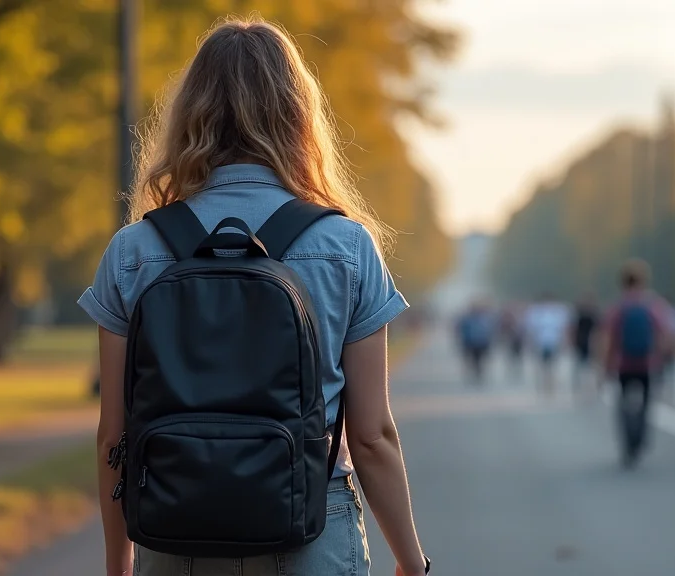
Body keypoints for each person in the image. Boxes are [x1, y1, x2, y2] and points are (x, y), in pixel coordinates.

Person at [78, 18, 429, 576]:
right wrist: (413, 564)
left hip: (176, 531)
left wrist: (118, 563)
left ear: (190, 114)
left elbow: (113, 438)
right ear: (297, 116)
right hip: (311, 527)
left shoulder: (135, 250)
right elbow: (371, 436)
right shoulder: (344, 245)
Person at [603, 259, 671, 468]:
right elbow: (664, 334)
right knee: (646, 404)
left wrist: (606, 365)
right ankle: (640, 437)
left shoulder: (618, 306)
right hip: (647, 363)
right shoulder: (653, 305)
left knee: (623, 403)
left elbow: (609, 338)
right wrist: (663, 359)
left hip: (624, 363)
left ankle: (627, 443)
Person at [524, 292, 571, 389]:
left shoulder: (559, 312)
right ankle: (542, 383)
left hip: (554, 342)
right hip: (541, 342)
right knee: (542, 364)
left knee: (553, 364)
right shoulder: (537, 312)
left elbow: (564, 328)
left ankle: (550, 383)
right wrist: (530, 342)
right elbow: (532, 329)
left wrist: (565, 341)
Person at [456, 299, 496, 381]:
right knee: (472, 359)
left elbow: (490, 330)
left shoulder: (485, 318)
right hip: (470, 342)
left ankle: (479, 371)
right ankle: (474, 371)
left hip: (482, 342)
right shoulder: (467, 319)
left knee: (480, 359)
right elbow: (461, 330)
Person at [569, 293, 600, 392]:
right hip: (583, 342)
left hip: (589, 343)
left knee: (589, 366)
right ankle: (581, 386)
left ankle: (589, 386)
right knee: (581, 365)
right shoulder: (580, 315)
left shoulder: (592, 315)